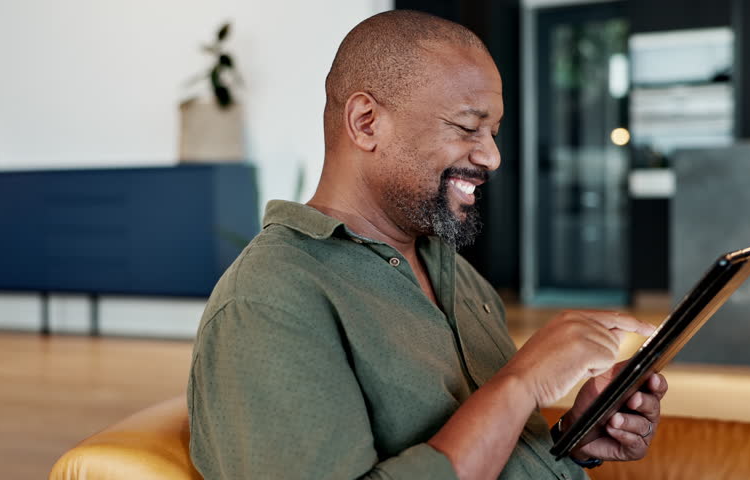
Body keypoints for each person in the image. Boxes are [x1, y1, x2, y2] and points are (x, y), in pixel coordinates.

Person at [187, 10, 667, 480]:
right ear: (366, 122)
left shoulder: (457, 276)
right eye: (466, 128)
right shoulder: (271, 298)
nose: (493, 157)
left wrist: (570, 442)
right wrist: (523, 383)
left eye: (494, 133)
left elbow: (486, 445)